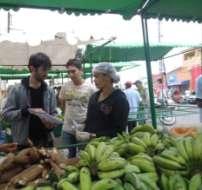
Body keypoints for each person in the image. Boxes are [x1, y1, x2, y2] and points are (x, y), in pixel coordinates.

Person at [2, 52, 57, 147]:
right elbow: (6, 114)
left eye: (48, 70)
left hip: (45, 140)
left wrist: (52, 123)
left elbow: (54, 113)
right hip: (23, 142)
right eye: (43, 70)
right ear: (32, 68)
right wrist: (24, 112)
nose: (46, 74)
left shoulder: (49, 91)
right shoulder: (16, 90)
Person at [59, 59, 94, 158]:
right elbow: (61, 100)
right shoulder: (65, 86)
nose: (70, 74)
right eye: (68, 72)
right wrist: (66, 114)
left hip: (83, 128)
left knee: (84, 156)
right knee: (67, 156)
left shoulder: (90, 87)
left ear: (81, 71)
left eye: (73, 71)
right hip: (67, 128)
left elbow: (94, 107)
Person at [84, 62, 129, 137]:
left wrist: (94, 135)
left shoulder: (119, 99)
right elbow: (90, 119)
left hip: (109, 144)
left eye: (96, 77)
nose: (94, 80)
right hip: (91, 144)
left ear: (108, 77)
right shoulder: (94, 97)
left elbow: (119, 129)